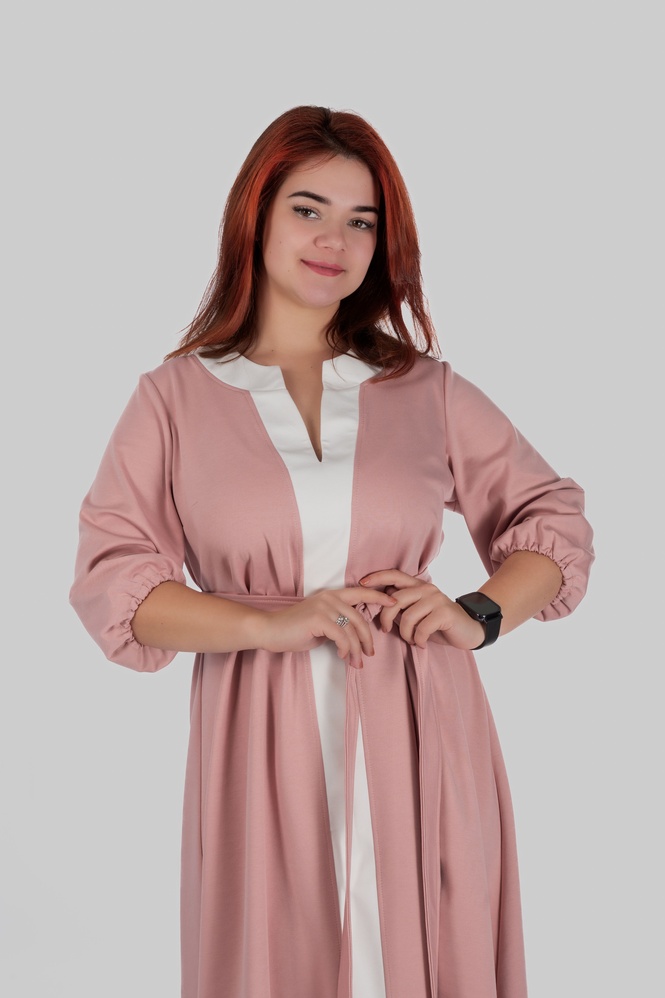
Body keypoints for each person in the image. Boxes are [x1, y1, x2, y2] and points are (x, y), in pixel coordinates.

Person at [70, 105, 594, 998]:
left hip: (422, 721)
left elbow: (551, 515)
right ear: (256, 216)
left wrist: (477, 614)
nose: (334, 241)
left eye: (362, 221)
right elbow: (115, 583)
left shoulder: (423, 389)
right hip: (258, 733)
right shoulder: (173, 399)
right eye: (308, 209)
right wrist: (265, 624)